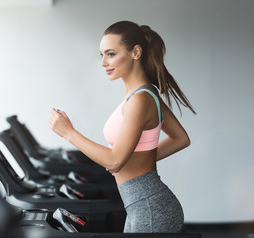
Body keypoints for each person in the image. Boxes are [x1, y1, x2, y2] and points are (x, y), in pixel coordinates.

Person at [49, 20, 195, 233]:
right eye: (102, 55)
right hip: (142, 205)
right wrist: (133, 160)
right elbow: (180, 138)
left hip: (149, 207)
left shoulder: (141, 99)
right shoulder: (144, 94)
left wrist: (69, 133)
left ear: (136, 52)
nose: (103, 63)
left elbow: (115, 161)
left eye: (110, 54)